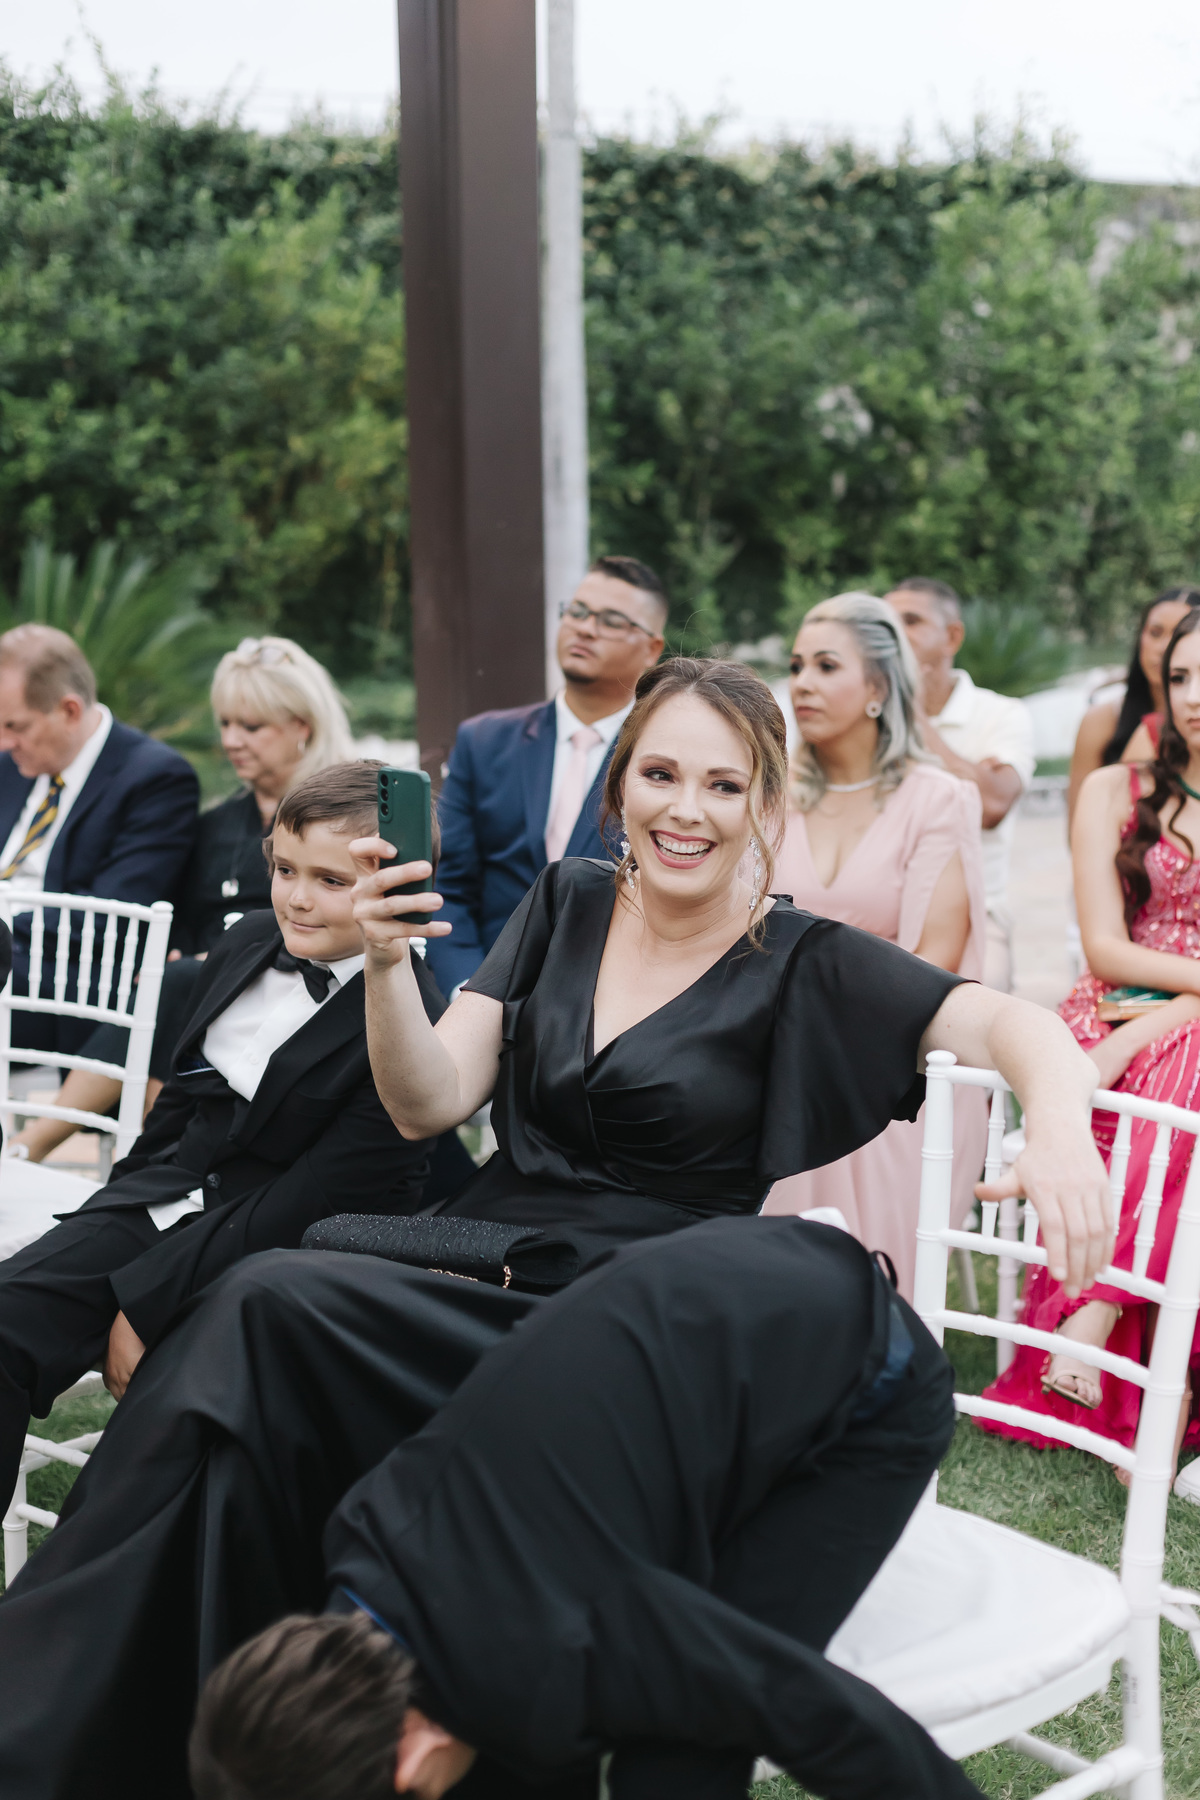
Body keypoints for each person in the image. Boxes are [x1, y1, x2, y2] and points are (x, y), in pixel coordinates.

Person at [0, 660, 1114, 1800]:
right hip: (474, 1267)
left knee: (261, 1301)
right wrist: (386, 963)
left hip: (632, 1328)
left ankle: (54, 1735)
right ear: (619, 785)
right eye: (661, 774)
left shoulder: (804, 962)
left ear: (767, 806)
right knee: (249, 1350)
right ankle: (170, 1734)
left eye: (724, 786)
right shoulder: (568, 900)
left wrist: (1062, 1130)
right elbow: (428, 1102)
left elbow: (1011, 1025)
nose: (687, 809)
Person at [184, 1218, 979, 1800]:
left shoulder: (575, 1642)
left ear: (410, 1764)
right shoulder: (359, 1552)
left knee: (675, 1765)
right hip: (728, 1296)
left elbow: (800, 1704)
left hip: (864, 1382)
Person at [0, 760, 471, 1513]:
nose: (297, 898)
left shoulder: (414, 1026)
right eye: (285, 869)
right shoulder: (248, 941)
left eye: (331, 880)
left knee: (152, 1445)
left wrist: (146, 1301)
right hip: (161, 1207)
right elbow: (180, 1108)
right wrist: (108, 1216)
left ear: (397, 888)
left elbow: (317, 1200)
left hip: (273, 1253)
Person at [981, 606, 1200, 1475]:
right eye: (1180, 677)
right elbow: (1105, 947)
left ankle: (1108, 1323)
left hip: (1169, 1028)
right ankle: (1152, 1382)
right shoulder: (1117, 788)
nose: (1193, 696)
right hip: (1113, 1005)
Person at [4, 635, 357, 1163]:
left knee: (178, 987)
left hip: (295, 984)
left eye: (251, 726)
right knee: (175, 984)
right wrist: (182, 951)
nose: (231, 740)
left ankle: (52, 1149)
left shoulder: (345, 824)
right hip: (201, 988)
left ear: (301, 727)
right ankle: (145, 1166)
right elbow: (184, 913)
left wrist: (206, 961)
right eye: (225, 724)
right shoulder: (218, 823)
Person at [761, 594, 988, 1298]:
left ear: (879, 688)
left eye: (827, 666)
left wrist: (822, 1036)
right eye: (797, 665)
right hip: (763, 1039)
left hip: (889, 1055)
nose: (802, 683)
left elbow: (935, 960)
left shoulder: (938, 798)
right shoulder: (770, 793)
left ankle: (860, 1324)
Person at [426, 555, 667, 996]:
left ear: (652, 649)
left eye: (611, 621)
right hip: (480, 989)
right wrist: (469, 991)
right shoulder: (485, 741)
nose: (585, 629)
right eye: (577, 611)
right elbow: (449, 885)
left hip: (611, 1000)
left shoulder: (664, 760)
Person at [0, 623, 199, 1054]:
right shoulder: (10, 765)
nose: (4, 741)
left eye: (15, 725)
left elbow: (113, 917)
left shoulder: (156, 779)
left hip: (59, 975)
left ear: (69, 711)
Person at [885, 578, 1035, 992]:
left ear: (952, 636)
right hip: (878, 909)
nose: (895, 633)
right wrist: (967, 770)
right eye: (886, 623)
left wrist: (911, 716)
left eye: (911, 621)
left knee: (974, 1005)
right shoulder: (861, 712)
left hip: (977, 916)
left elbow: (991, 804)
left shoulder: (1001, 714)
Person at [1066, 586, 1200, 826]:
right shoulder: (1103, 720)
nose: (1164, 647)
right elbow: (1079, 825)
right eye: (1155, 633)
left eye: (1179, 633)